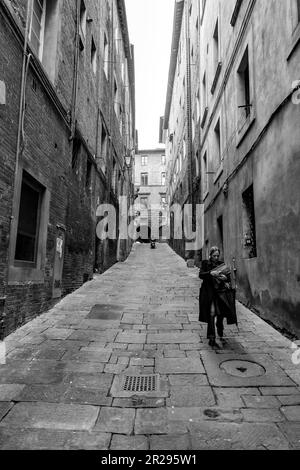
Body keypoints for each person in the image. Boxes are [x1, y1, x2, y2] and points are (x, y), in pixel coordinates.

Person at [198, 246, 237, 349]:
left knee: (220, 315)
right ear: (210, 255)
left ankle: (220, 329)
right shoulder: (205, 263)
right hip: (210, 294)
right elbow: (201, 275)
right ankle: (212, 337)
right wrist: (211, 273)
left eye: (217, 255)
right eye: (214, 255)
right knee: (211, 314)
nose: (216, 257)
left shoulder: (221, 264)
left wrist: (225, 278)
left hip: (221, 294)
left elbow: (227, 277)